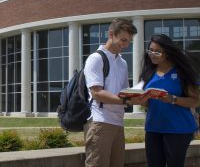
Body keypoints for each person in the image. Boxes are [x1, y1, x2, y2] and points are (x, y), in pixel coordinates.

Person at [131, 34, 200, 167]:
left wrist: (172, 99)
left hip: (178, 129)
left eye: (157, 51)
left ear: (167, 53)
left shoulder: (181, 71)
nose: (152, 54)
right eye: (150, 50)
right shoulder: (149, 71)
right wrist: (141, 100)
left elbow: (195, 101)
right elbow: (148, 104)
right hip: (153, 128)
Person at [83, 18, 137, 167]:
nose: (126, 45)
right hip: (100, 122)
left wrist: (140, 95)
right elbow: (97, 93)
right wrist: (126, 101)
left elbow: (125, 92)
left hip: (118, 123)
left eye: (128, 42)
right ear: (111, 34)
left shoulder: (122, 62)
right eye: (123, 40)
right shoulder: (96, 59)